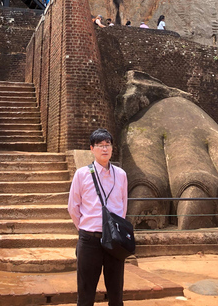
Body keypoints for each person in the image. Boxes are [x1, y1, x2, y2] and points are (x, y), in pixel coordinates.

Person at [68, 128, 129, 306]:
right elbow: (73, 206)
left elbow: (123, 206)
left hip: (115, 241)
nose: (104, 149)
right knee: (86, 292)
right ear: (92, 149)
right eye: (100, 145)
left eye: (107, 144)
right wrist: (86, 228)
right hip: (89, 240)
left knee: (116, 292)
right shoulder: (82, 174)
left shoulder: (121, 174)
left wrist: (113, 229)